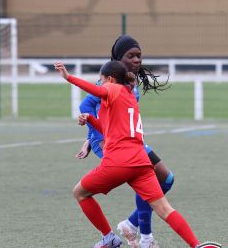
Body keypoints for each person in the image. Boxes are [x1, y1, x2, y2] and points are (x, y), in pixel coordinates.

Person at [54, 60, 204, 248]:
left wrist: (69, 78)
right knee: (165, 209)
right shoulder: (129, 96)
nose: (100, 85)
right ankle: (197, 245)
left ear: (110, 79)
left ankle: (108, 238)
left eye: (101, 81)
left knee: (80, 193)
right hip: (141, 162)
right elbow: (111, 130)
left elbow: (98, 92)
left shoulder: (113, 89)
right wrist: (91, 118)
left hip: (118, 162)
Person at [76, 35, 174, 248]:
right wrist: (96, 139)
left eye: (139, 56)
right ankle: (145, 239)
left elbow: (108, 112)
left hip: (129, 141)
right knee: (145, 180)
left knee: (166, 179)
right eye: (131, 56)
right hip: (112, 143)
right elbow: (86, 106)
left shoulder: (130, 80)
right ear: (119, 59)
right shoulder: (109, 82)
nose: (137, 60)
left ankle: (130, 225)